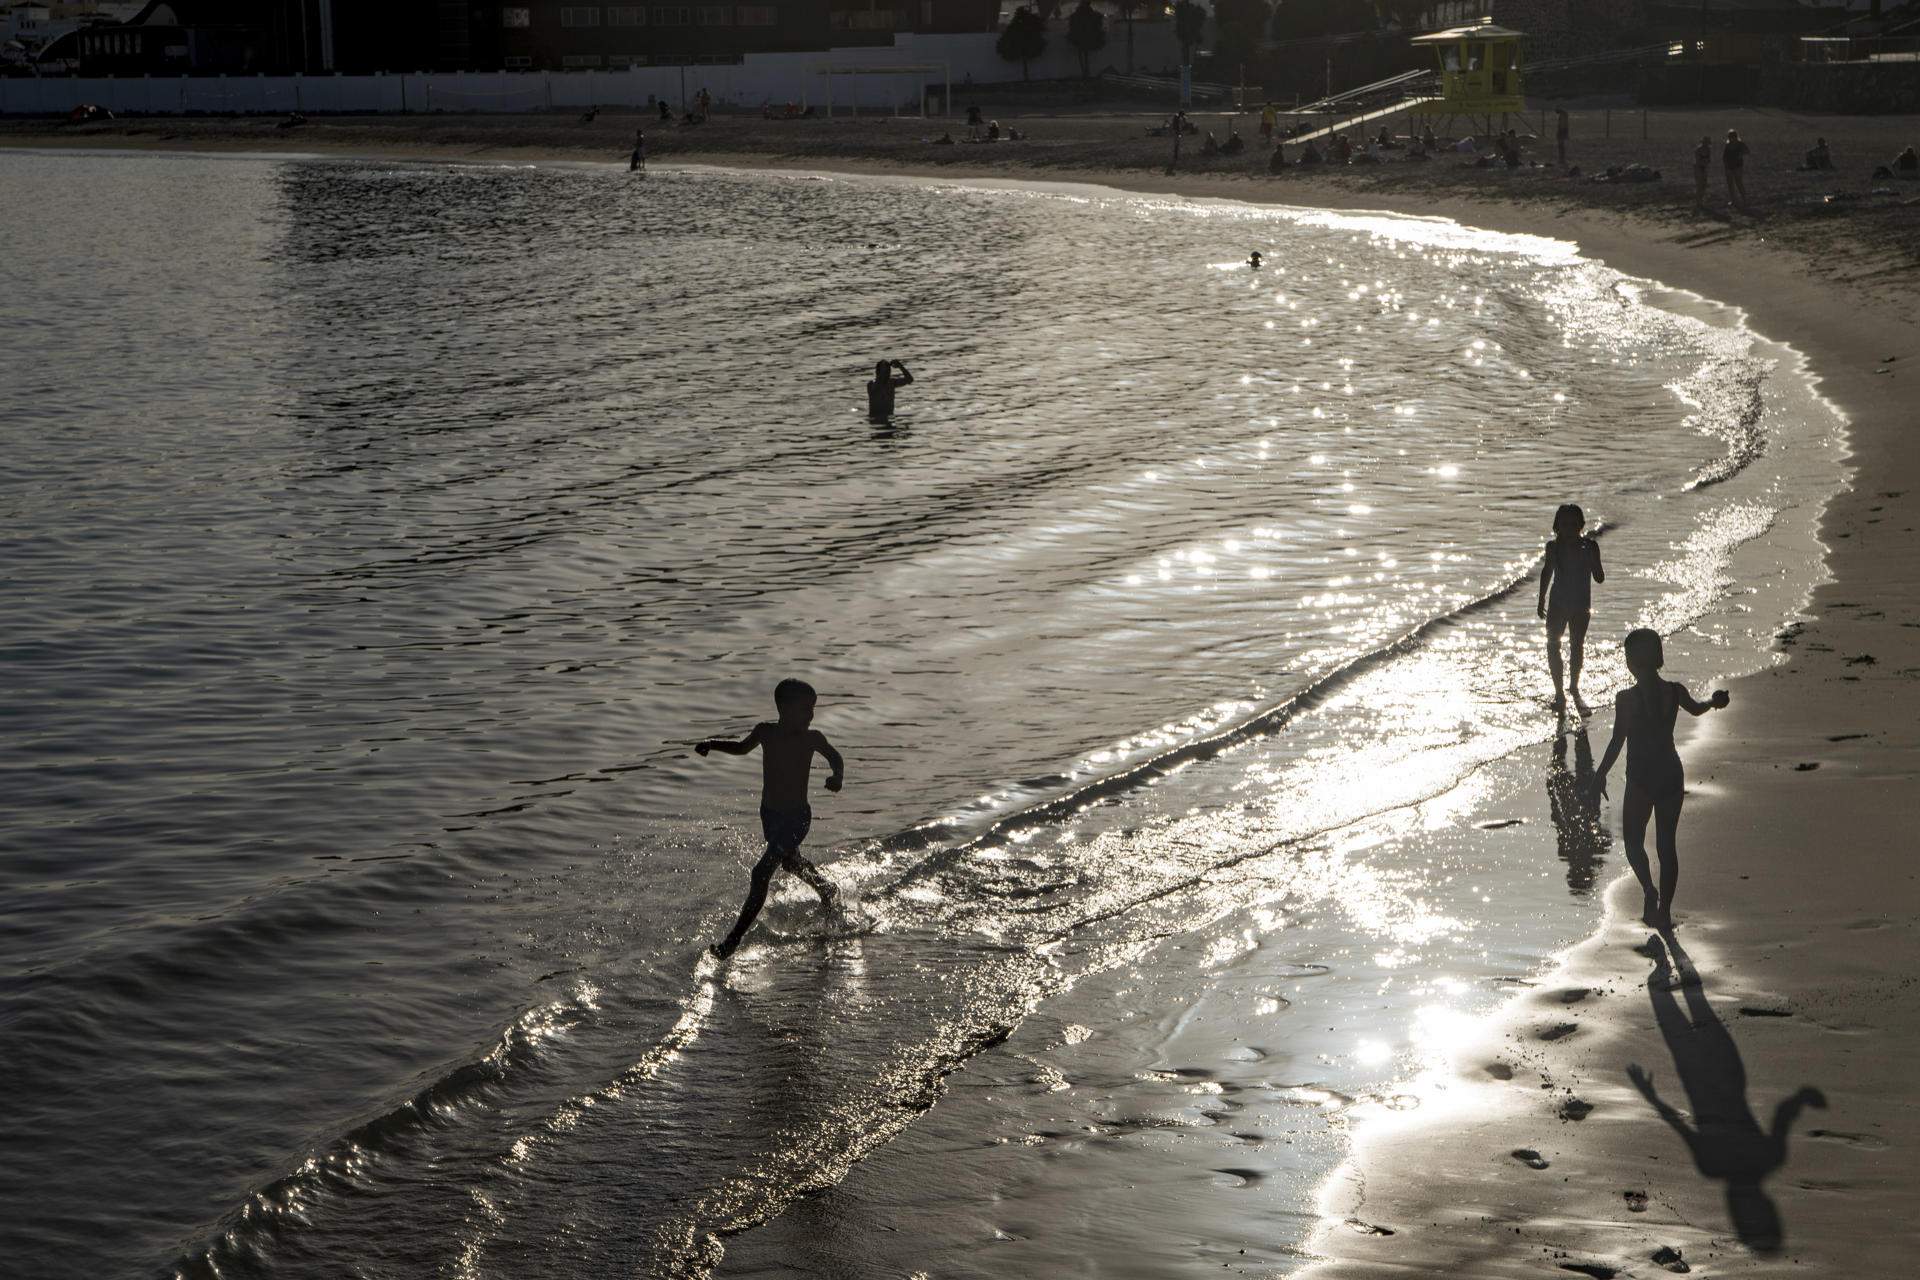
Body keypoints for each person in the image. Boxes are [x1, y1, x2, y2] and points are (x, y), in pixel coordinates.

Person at [1589, 630, 1730, 929]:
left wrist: (1600, 774)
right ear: (1658, 657)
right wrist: (1715, 702)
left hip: (1641, 777)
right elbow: (1698, 708)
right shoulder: (1674, 692)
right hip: (1670, 774)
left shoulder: (1626, 699)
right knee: (1667, 847)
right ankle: (1664, 910)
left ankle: (1649, 890)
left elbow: (1617, 741)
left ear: (1631, 662)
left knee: (1633, 843)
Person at [696, 679, 845, 959]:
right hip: (771, 815)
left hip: (797, 818)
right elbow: (741, 748)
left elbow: (836, 758)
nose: (810, 715)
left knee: (761, 872)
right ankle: (827, 889)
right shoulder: (766, 732)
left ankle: (732, 941)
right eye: (805, 709)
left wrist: (837, 776)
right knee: (789, 863)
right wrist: (711, 744)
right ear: (784, 708)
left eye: (812, 709)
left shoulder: (812, 738)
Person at [1537, 503, 1605, 712]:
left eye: (1574, 524)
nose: (1569, 528)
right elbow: (1547, 573)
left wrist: (1593, 558)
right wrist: (1541, 599)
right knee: (1552, 645)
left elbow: (1599, 578)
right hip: (1557, 604)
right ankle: (1559, 692)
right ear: (1557, 526)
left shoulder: (1590, 546)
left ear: (1581, 525)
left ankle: (1574, 687)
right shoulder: (1553, 547)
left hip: (1581, 606)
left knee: (1577, 645)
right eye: (1564, 524)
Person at [1723, 128, 1750, 210]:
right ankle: (1733, 200)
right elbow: (1725, 155)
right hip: (1728, 166)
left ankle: (1744, 200)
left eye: (1733, 136)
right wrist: (1725, 164)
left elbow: (1747, 151)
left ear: (1736, 136)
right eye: (1730, 136)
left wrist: (1741, 154)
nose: (1732, 138)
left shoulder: (1740, 144)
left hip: (1738, 166)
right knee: (1730, 184)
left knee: (1739, 183)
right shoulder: (1727, 145)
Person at [1692, 134, 1712, 211]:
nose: (1706, 144)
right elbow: (1698, 161)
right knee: (1699, 185)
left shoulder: (1708, 150)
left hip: (1705, 168)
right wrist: (1703, 164)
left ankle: (1701, 200)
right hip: (1699, 169)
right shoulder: (1698, 150)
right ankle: (1698, 202)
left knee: (1704, 185)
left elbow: (1709, 160)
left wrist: (1705, 163)